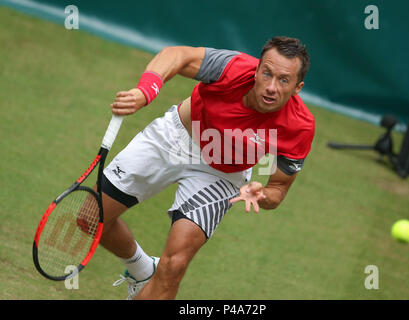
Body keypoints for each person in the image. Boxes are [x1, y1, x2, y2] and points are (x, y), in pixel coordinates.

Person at [99, 36, 315, 300]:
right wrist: (145, 91)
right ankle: (144, 270)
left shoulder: (299, 126)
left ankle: (155, 276)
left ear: (297, 87)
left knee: (174, 265)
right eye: (266, 73)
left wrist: (262, 194)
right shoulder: (233, 69)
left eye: (283, 80)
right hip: (175, 138)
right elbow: (177, 55)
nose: (271, 87)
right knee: (92, 218)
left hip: (222, 174)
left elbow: (278, 189)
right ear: (257, 70)